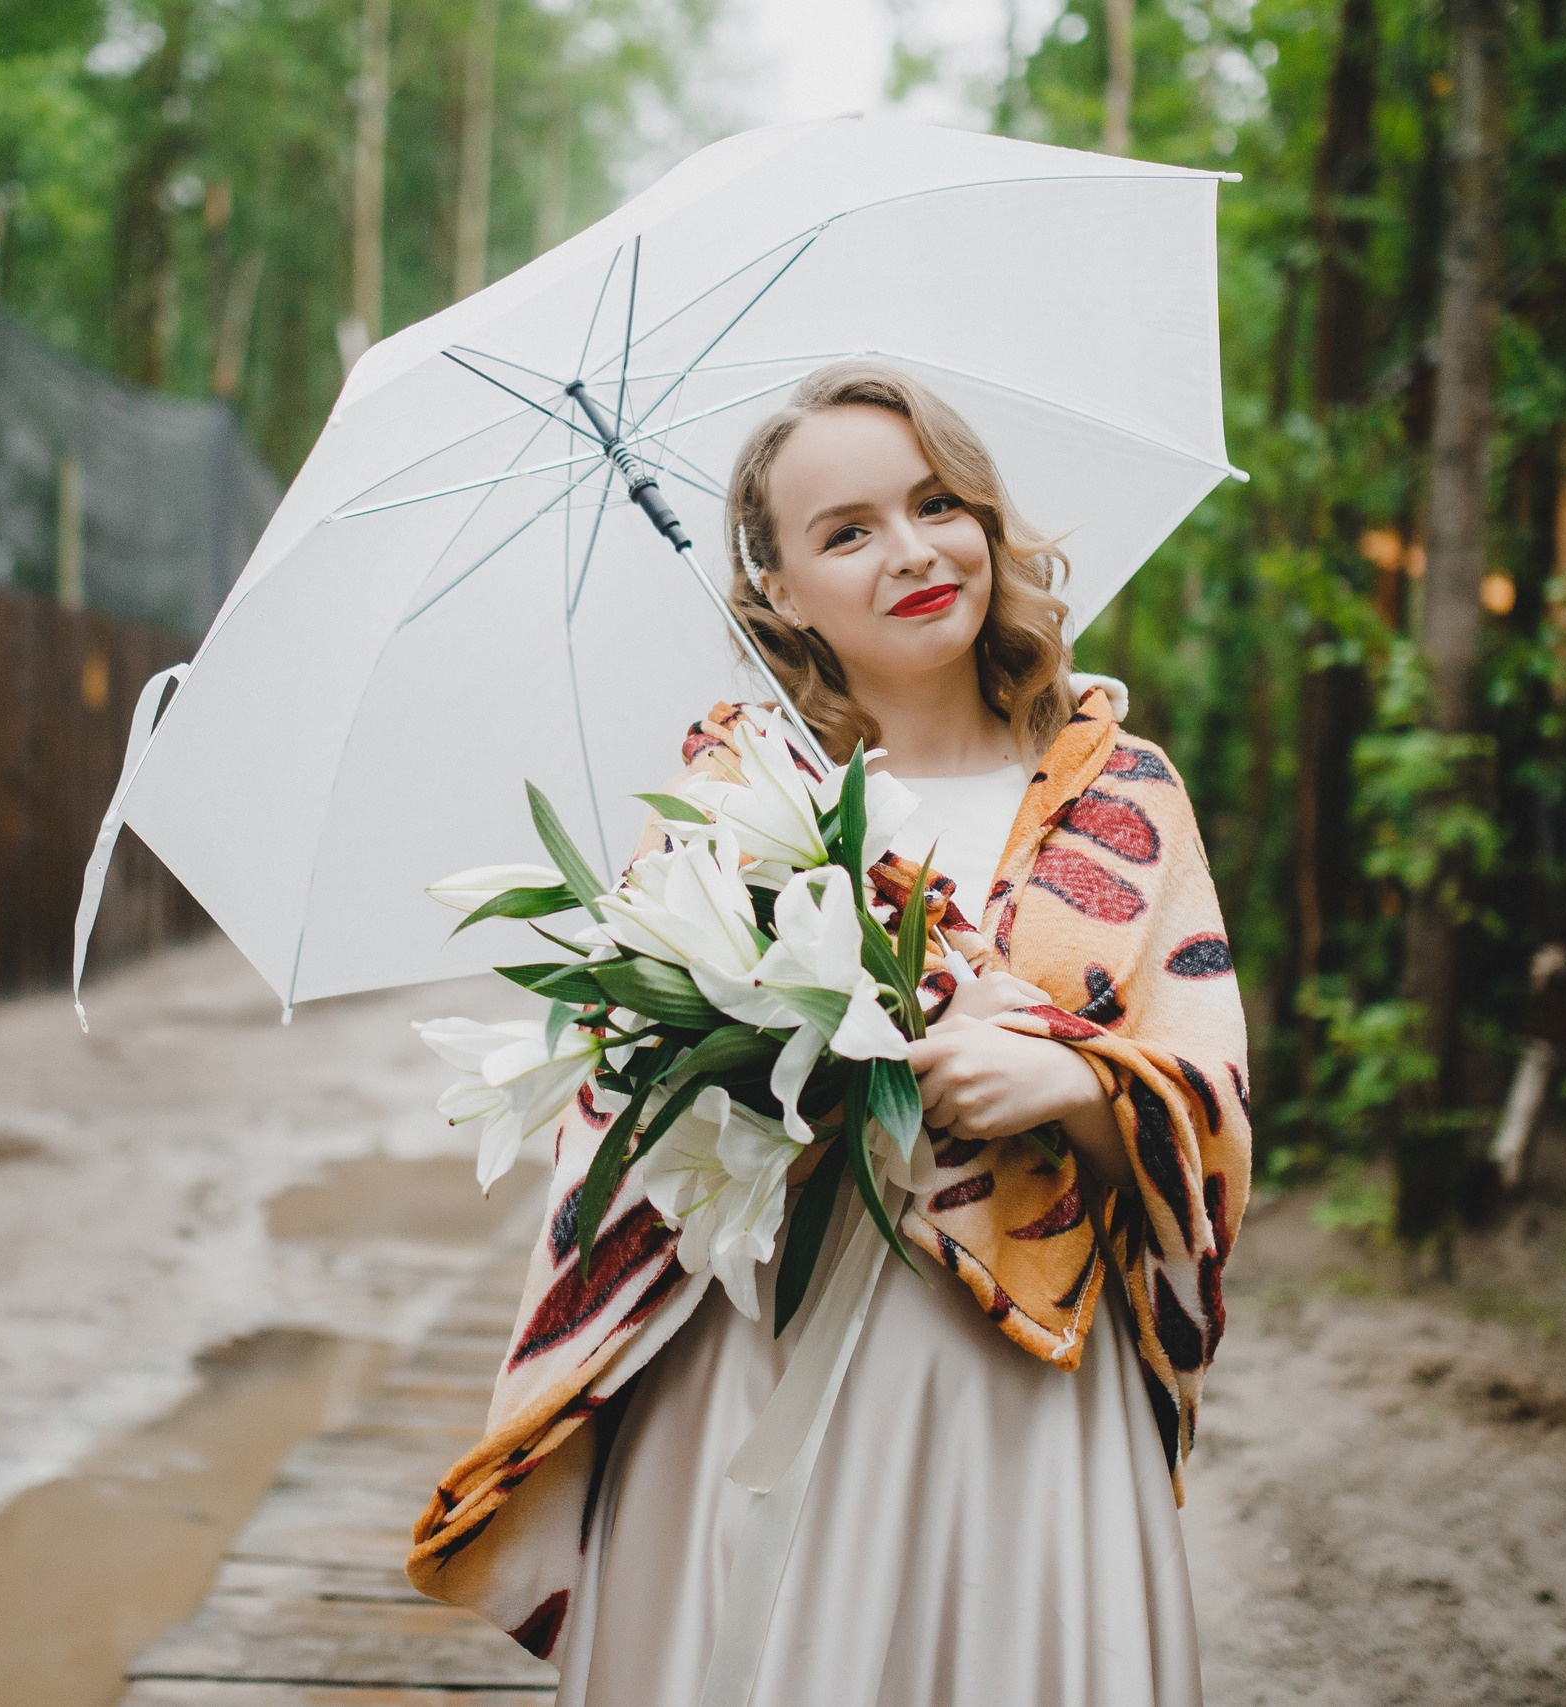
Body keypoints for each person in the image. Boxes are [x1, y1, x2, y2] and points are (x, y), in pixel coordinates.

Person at [410, 361, 1249, 1707]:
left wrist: (1064, 1084)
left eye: (936, 503)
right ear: (780, 592)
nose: (913, 553)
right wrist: (790, 1066)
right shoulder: (731, 800)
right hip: (763, 1348)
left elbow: (1211, 1096)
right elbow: (628, 1114)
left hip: (1017, 1377)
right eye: (846, 531)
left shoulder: (1119, 790)